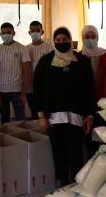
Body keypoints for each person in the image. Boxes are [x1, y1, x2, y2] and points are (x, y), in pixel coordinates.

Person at [33, 27, 97, 186]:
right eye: (58, 40)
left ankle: (77, 187)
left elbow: (90, 89)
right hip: (53, 119)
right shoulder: (45, 61)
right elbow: (37, 89)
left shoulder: (82, 61)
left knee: (76, 154)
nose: (62, 42)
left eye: (65, 39)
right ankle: (63, 186)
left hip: (76, 118)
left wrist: (90, 115)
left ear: (71, 40)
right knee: (58, 153)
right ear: (54, 41)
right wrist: (41, 116)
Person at [0, 22, 31, 123]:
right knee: (4, 120)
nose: (6, 35)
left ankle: (22, 138)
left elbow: (27, 71)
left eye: (9, 32)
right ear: (0, 34)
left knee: (20, 120)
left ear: (14, 33)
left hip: (17, 91)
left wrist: (24, 93)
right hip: (1, 91)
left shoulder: (22, 48)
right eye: (3, 33)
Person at [81, 25, 106, 99]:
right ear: (82, 39)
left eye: (93, 37)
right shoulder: (79, 56)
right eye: (87, 37)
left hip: (105, 97)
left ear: (97, 38)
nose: (90, 39)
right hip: (85, 99)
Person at [26, 20, 53, 119]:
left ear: (42, 32)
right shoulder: (26, 49)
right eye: (32, 31)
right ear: (29, 33)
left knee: (46, 113)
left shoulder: (49, 48)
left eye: (37, 30)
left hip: (45, 86)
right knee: (34, 113)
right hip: (30, 88)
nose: (35, 33)